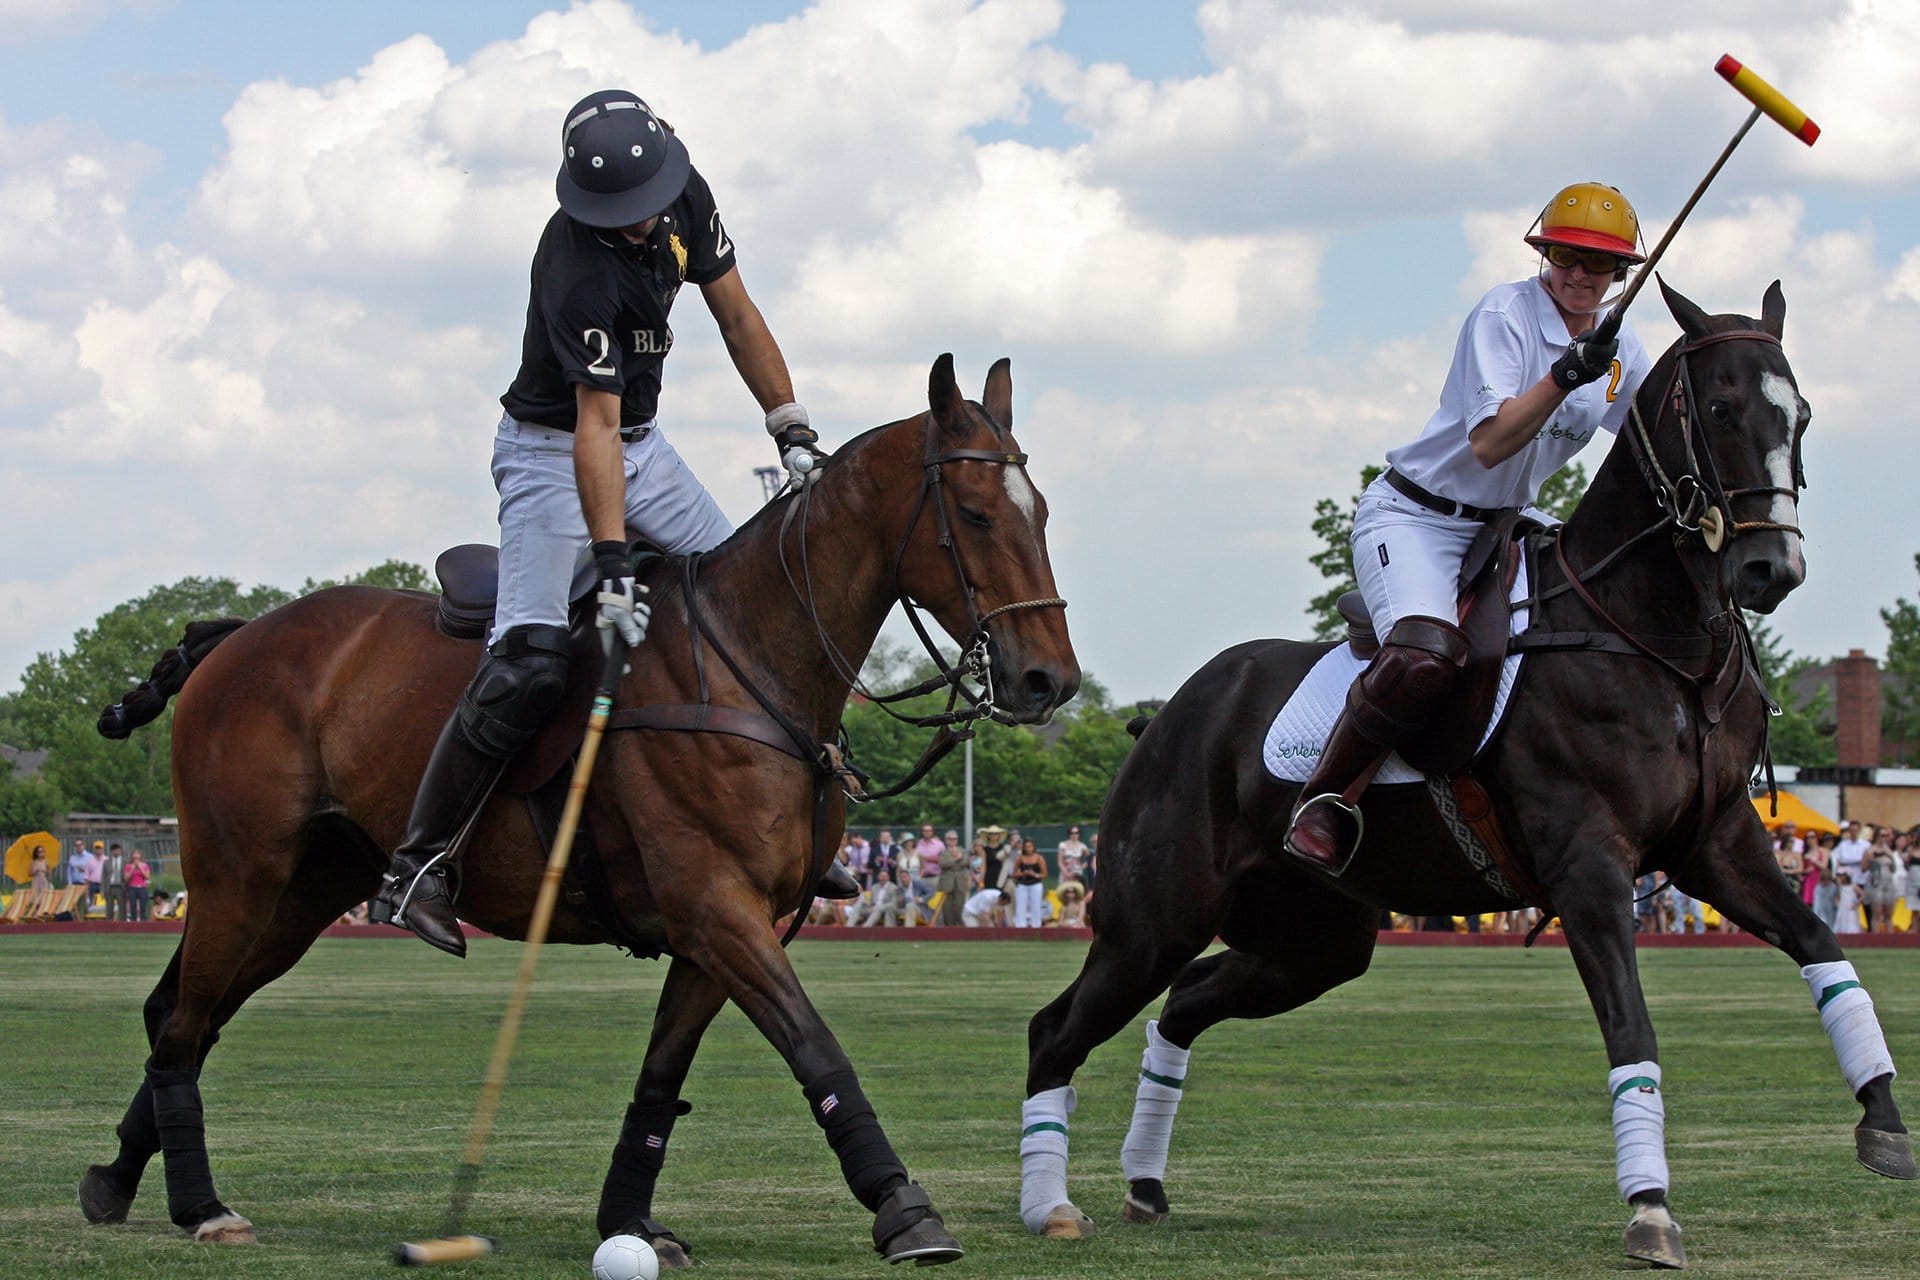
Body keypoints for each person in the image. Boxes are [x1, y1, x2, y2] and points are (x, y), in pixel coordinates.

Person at [371, 88, 848, 956]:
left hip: (644, 445)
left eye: (644, 210)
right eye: (618, 216)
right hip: (552, 455)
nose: (637, 226)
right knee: (528, 659)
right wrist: (616, 559)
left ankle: (799, 813)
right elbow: (590, 427)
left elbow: (736, 312)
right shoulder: (576, 270)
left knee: (761, 608)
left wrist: (791, 427)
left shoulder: (686, 195)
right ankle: (419, 864)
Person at [1286, 182, 1652, 869]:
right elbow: (1489, 443)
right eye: (1565, 257)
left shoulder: (1623, 342)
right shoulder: (1504, 313)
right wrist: (1564, 377)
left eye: (1596, 265)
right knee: (1425, 655)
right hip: (1418, 517)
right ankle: (1325, 799)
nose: (1577, 274)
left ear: (1621, 273)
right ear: (1545, 255)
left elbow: (1649, 436)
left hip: (1507, 526)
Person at [1011, 838, 1049, 928]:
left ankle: (1036, 926)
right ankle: (1020, 926)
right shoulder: (1020, 858)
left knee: (1036, 906)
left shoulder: (1039, 858)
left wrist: (1034, 874)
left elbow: (1044, 874)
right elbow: (1014, 874)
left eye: (1030, 846)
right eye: (1026, 847)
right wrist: (1023, 873)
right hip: (1022, 884)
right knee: (1020, 906)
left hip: (1035, 884)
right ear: (1023, 848)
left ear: (1034, 847)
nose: (1028, 849)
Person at [100, 842, 127, 923]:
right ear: (111, 851)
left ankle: (123, 924)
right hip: (110, 887)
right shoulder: (106, 862)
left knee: (122, 908)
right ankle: (109, 925)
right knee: (109, 908)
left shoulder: (125, 862)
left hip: (121, 887)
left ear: (121, 851)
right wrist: (102, 889)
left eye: (118, 850)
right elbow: (103, 877)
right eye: (114, 850)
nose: (116, 852)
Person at [124, 849, 152, 922]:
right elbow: (126, 878)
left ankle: (143, 921)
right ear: (132, 855)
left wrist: (140, 867)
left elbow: (148, 877)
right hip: (132, 887)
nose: (136, 855)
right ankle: (133, 921)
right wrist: (132, 869)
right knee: (132, 906)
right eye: (134, 853)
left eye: (137, 853)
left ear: (140, 856)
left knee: (143, 906)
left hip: (142, 887)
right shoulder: (128, 865)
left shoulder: (145, 865)